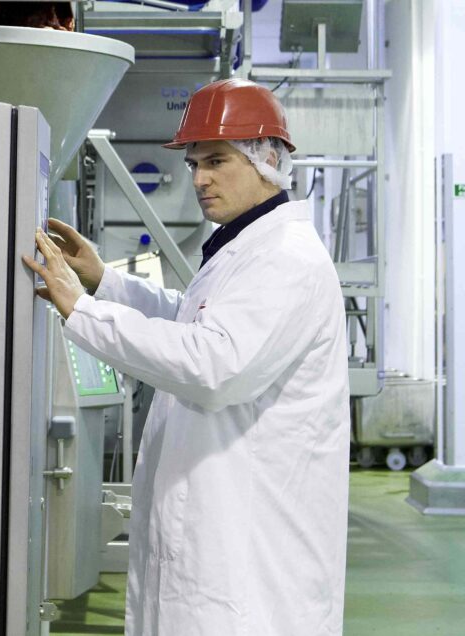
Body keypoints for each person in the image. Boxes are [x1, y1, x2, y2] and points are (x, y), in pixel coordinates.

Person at [23, 78, 350, 635]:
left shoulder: (286, 258)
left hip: (249, 558)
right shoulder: (245, 246)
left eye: (216, 161)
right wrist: (104, 283)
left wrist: (84, 312)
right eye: (194, 163)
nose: (199, 179)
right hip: (221, 531)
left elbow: (214, 365)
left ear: (269, 160)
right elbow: (191, 319)